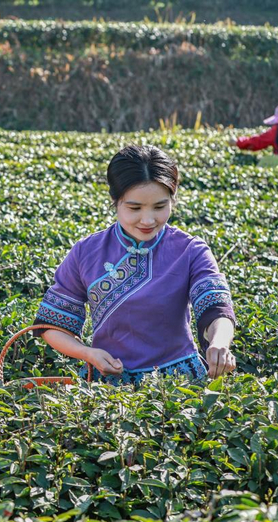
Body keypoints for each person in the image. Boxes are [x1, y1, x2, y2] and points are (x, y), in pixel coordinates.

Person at [33, 144, 237, 385]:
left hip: (179, 384)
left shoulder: (190, 250)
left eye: (160, 207)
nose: (148, 219)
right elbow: (52, 324)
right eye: (134, 208)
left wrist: (219, 343)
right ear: (115, 200)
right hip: (108, 380)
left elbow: (216, 308)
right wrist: (88, 353)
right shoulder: (86, 252)